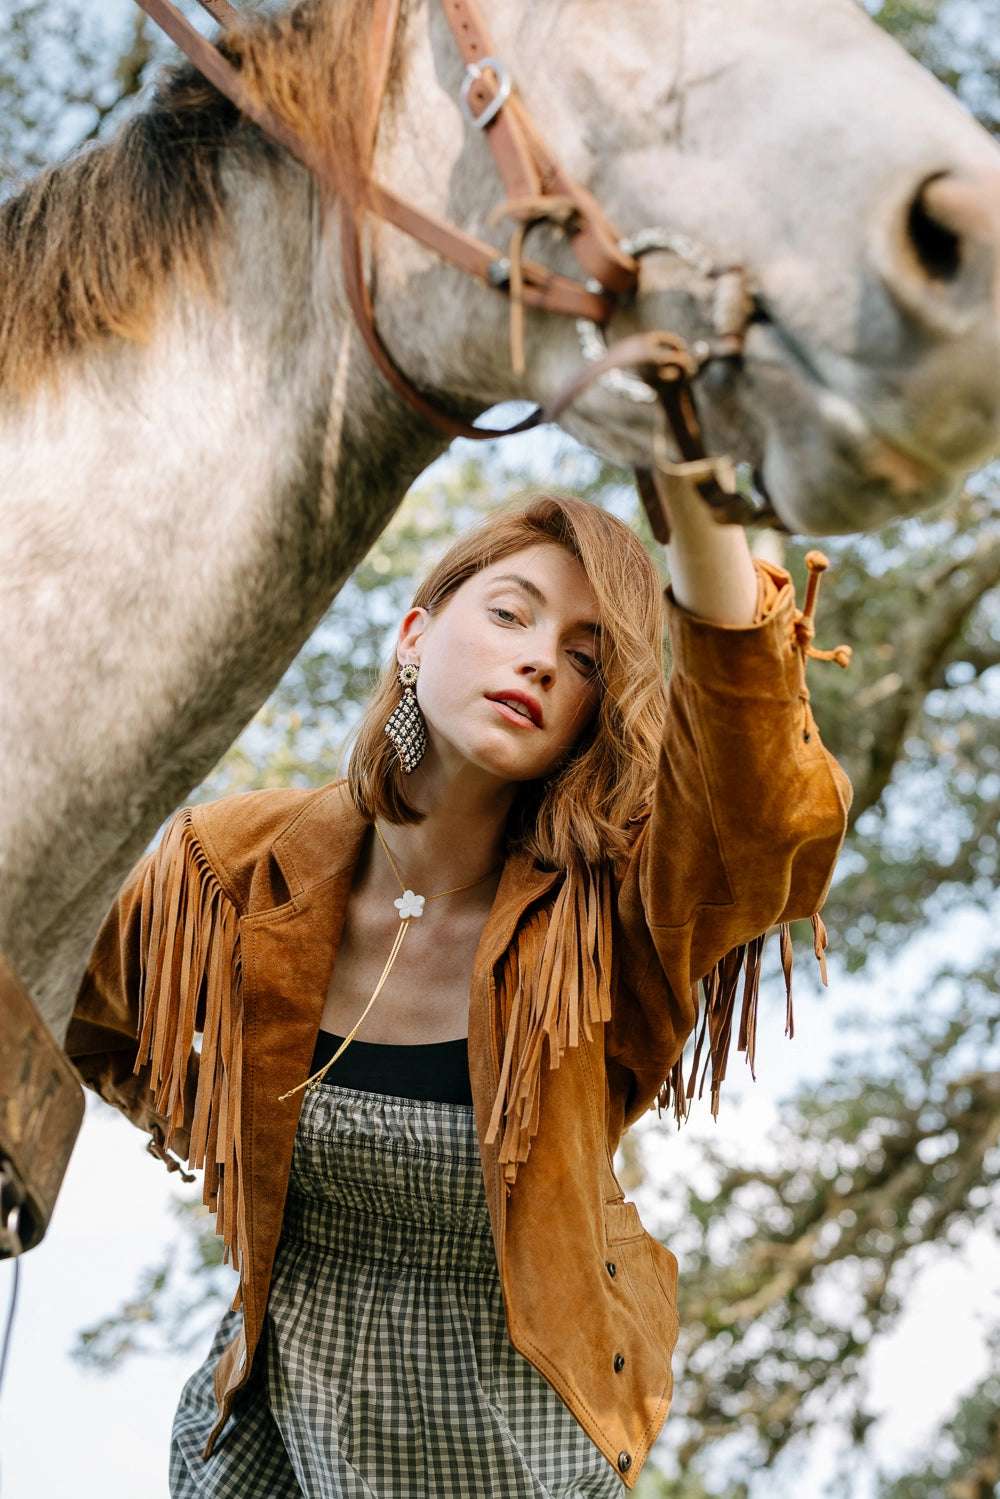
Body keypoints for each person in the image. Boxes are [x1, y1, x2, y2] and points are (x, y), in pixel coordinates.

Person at [67, 482, 850, 1496]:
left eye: (582, 658)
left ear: (586, 716)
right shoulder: (231, 865)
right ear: (413, 634)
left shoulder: (614, 913)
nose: (538, 659)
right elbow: (69, 1002)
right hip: (269, 1438)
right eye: (511, 613)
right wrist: (219, 1126)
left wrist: (701, 511)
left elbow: (758, 810)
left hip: (511, 1448)